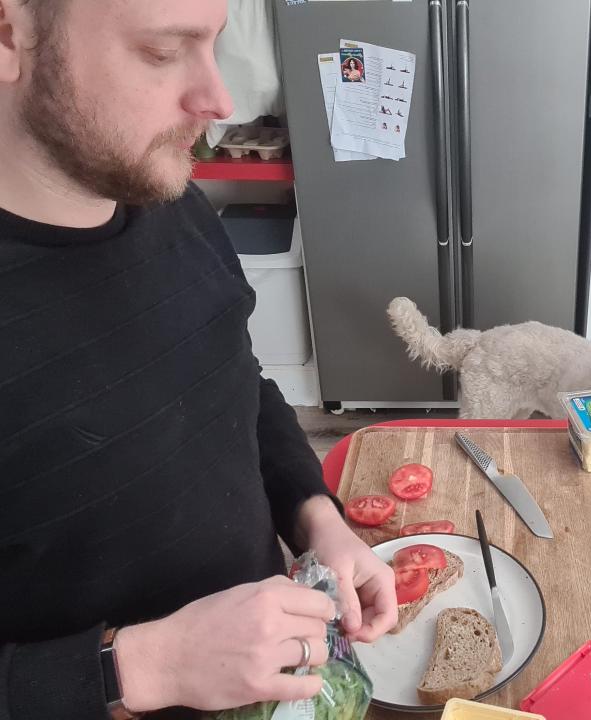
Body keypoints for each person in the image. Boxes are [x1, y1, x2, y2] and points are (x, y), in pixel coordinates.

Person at [0, 2, 398, 718]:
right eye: (161, 52)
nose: (218, 101)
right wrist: (137, 669)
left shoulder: (162, 193)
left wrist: (316, 518)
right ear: (8, 35)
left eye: (213, 45)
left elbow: (233, 377)